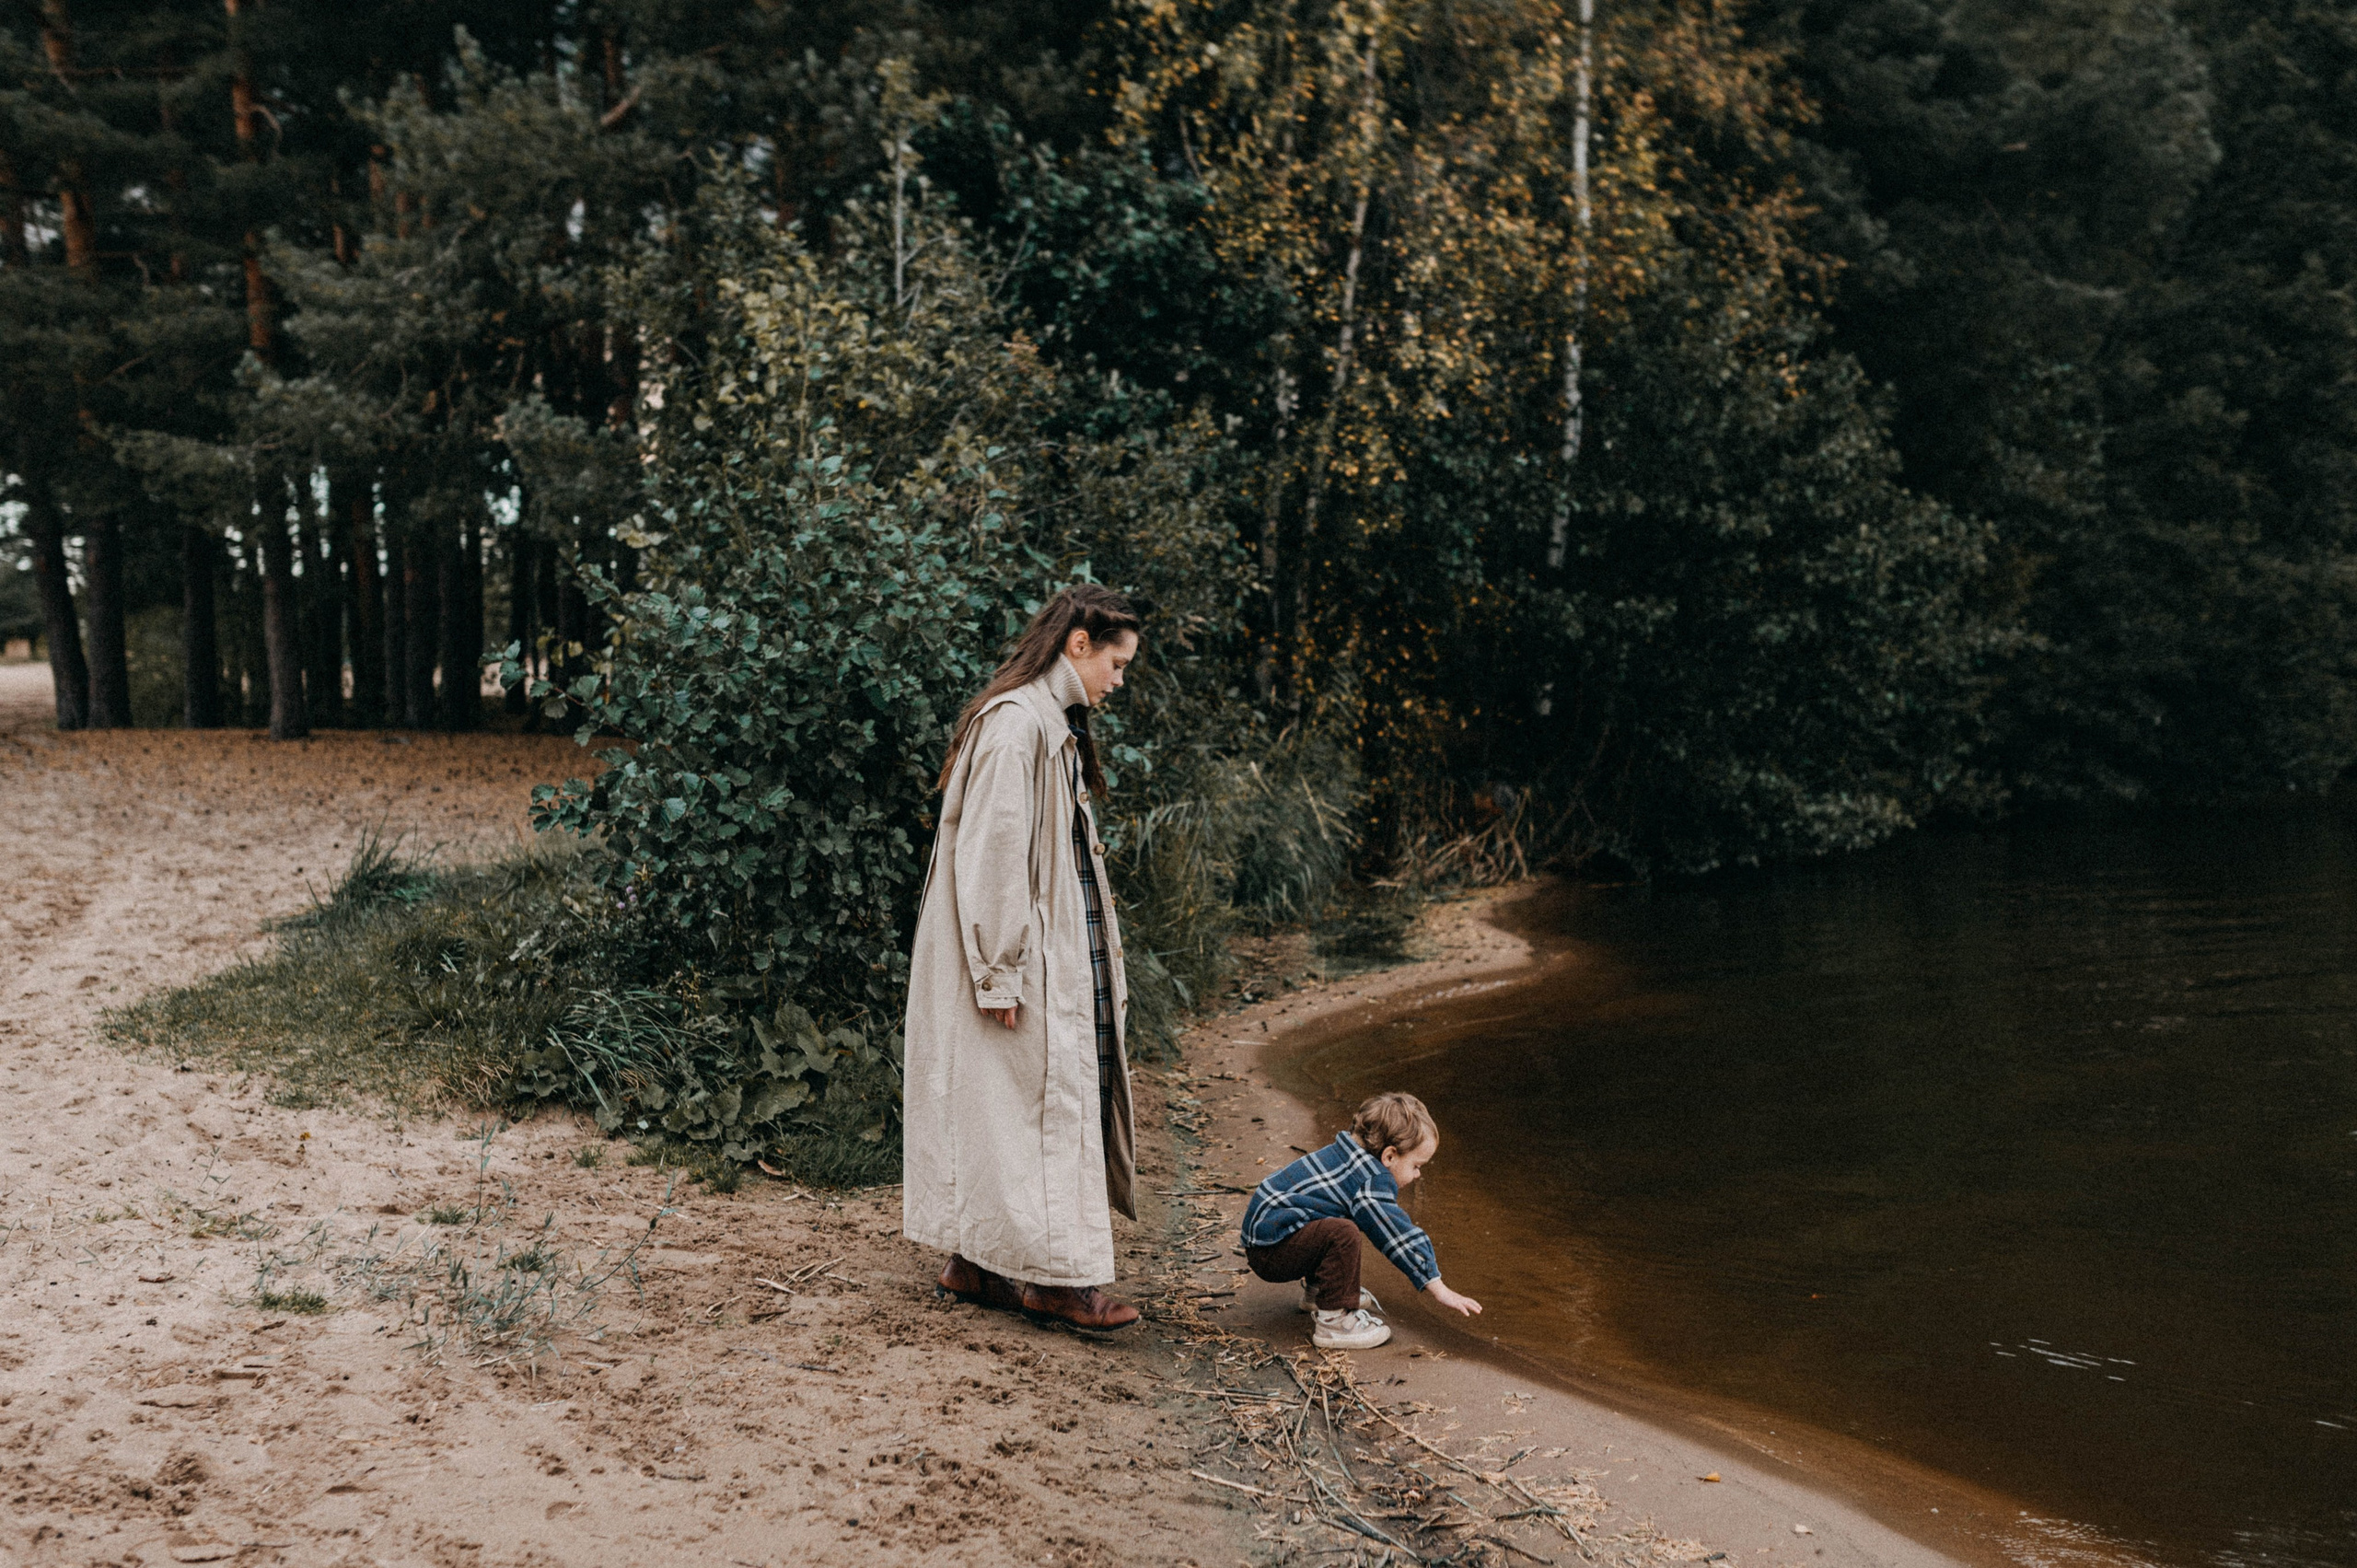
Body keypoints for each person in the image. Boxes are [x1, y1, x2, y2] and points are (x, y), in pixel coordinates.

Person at [901, 584, 1145, 1331]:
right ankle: (1057, 1279)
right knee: (1045, 1105)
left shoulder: (1046, 720)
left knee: (1005, 1106)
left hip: (1042, 947)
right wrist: (999, 970)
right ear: (1079, 643)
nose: (1119, 680)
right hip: (1017, 955)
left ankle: (975, 1263)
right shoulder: (1018, 724)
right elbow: (993, 854)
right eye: (1116, 663)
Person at [1239, 1091, 1484, 1350]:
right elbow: (1395, 1232)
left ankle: (1321, 1292)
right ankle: (1335, 1323)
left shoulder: (1345, 1155)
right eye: (1416, 1166)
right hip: (1272, 1253)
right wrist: (1436, 1285)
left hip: (1269, 1243)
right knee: (1342, 1233)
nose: (1418, 1175)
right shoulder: (1370, 1179)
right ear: (1389, 1156)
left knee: (1331, 1218)